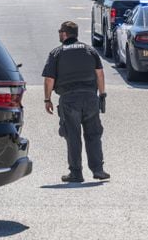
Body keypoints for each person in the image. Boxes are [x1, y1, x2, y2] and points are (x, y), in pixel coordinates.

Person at [42, 21, 109, 183]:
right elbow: (100, 74)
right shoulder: (89, 50)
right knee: (93, 134)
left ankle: (76, 173)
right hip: (90, 97)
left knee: (72, 136)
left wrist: (47, 99)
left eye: (60, 31)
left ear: (64, 34)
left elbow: (49, 79)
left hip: (69, 99)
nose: (59, 34)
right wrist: (102, 95)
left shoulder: (56, 53)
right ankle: (98, 170)